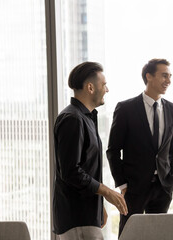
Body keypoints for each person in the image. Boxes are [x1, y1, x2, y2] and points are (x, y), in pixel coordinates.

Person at [52, 62, 128, 240]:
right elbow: (71, 172)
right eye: (104, 84)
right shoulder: (73, 119)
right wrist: (107, 192)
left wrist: (98, 204)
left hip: (86, 215)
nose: (107, 89)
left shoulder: (85, 118)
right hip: (76, 218)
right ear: (90, 87)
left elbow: (87, 168)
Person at [107, 58, 173, 236]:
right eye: (164, 76)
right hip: (134, 187)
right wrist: (123, 184)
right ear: (149, 76)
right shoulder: (126, 108)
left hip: (163, 187)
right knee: (129, 234)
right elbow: (113, 150)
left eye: (170, 76)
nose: (168, 81)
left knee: (158, 236)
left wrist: (172, 179)